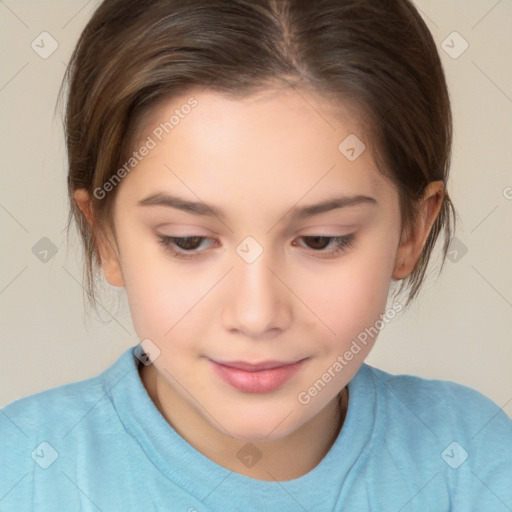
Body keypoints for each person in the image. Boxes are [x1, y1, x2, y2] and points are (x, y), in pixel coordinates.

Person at [1, 0, 511, 510]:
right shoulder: (21, 473)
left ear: (411, 233)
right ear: (105, 239)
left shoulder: (472, 462)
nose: (256, 315)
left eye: (321, 240)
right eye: (187, 240)